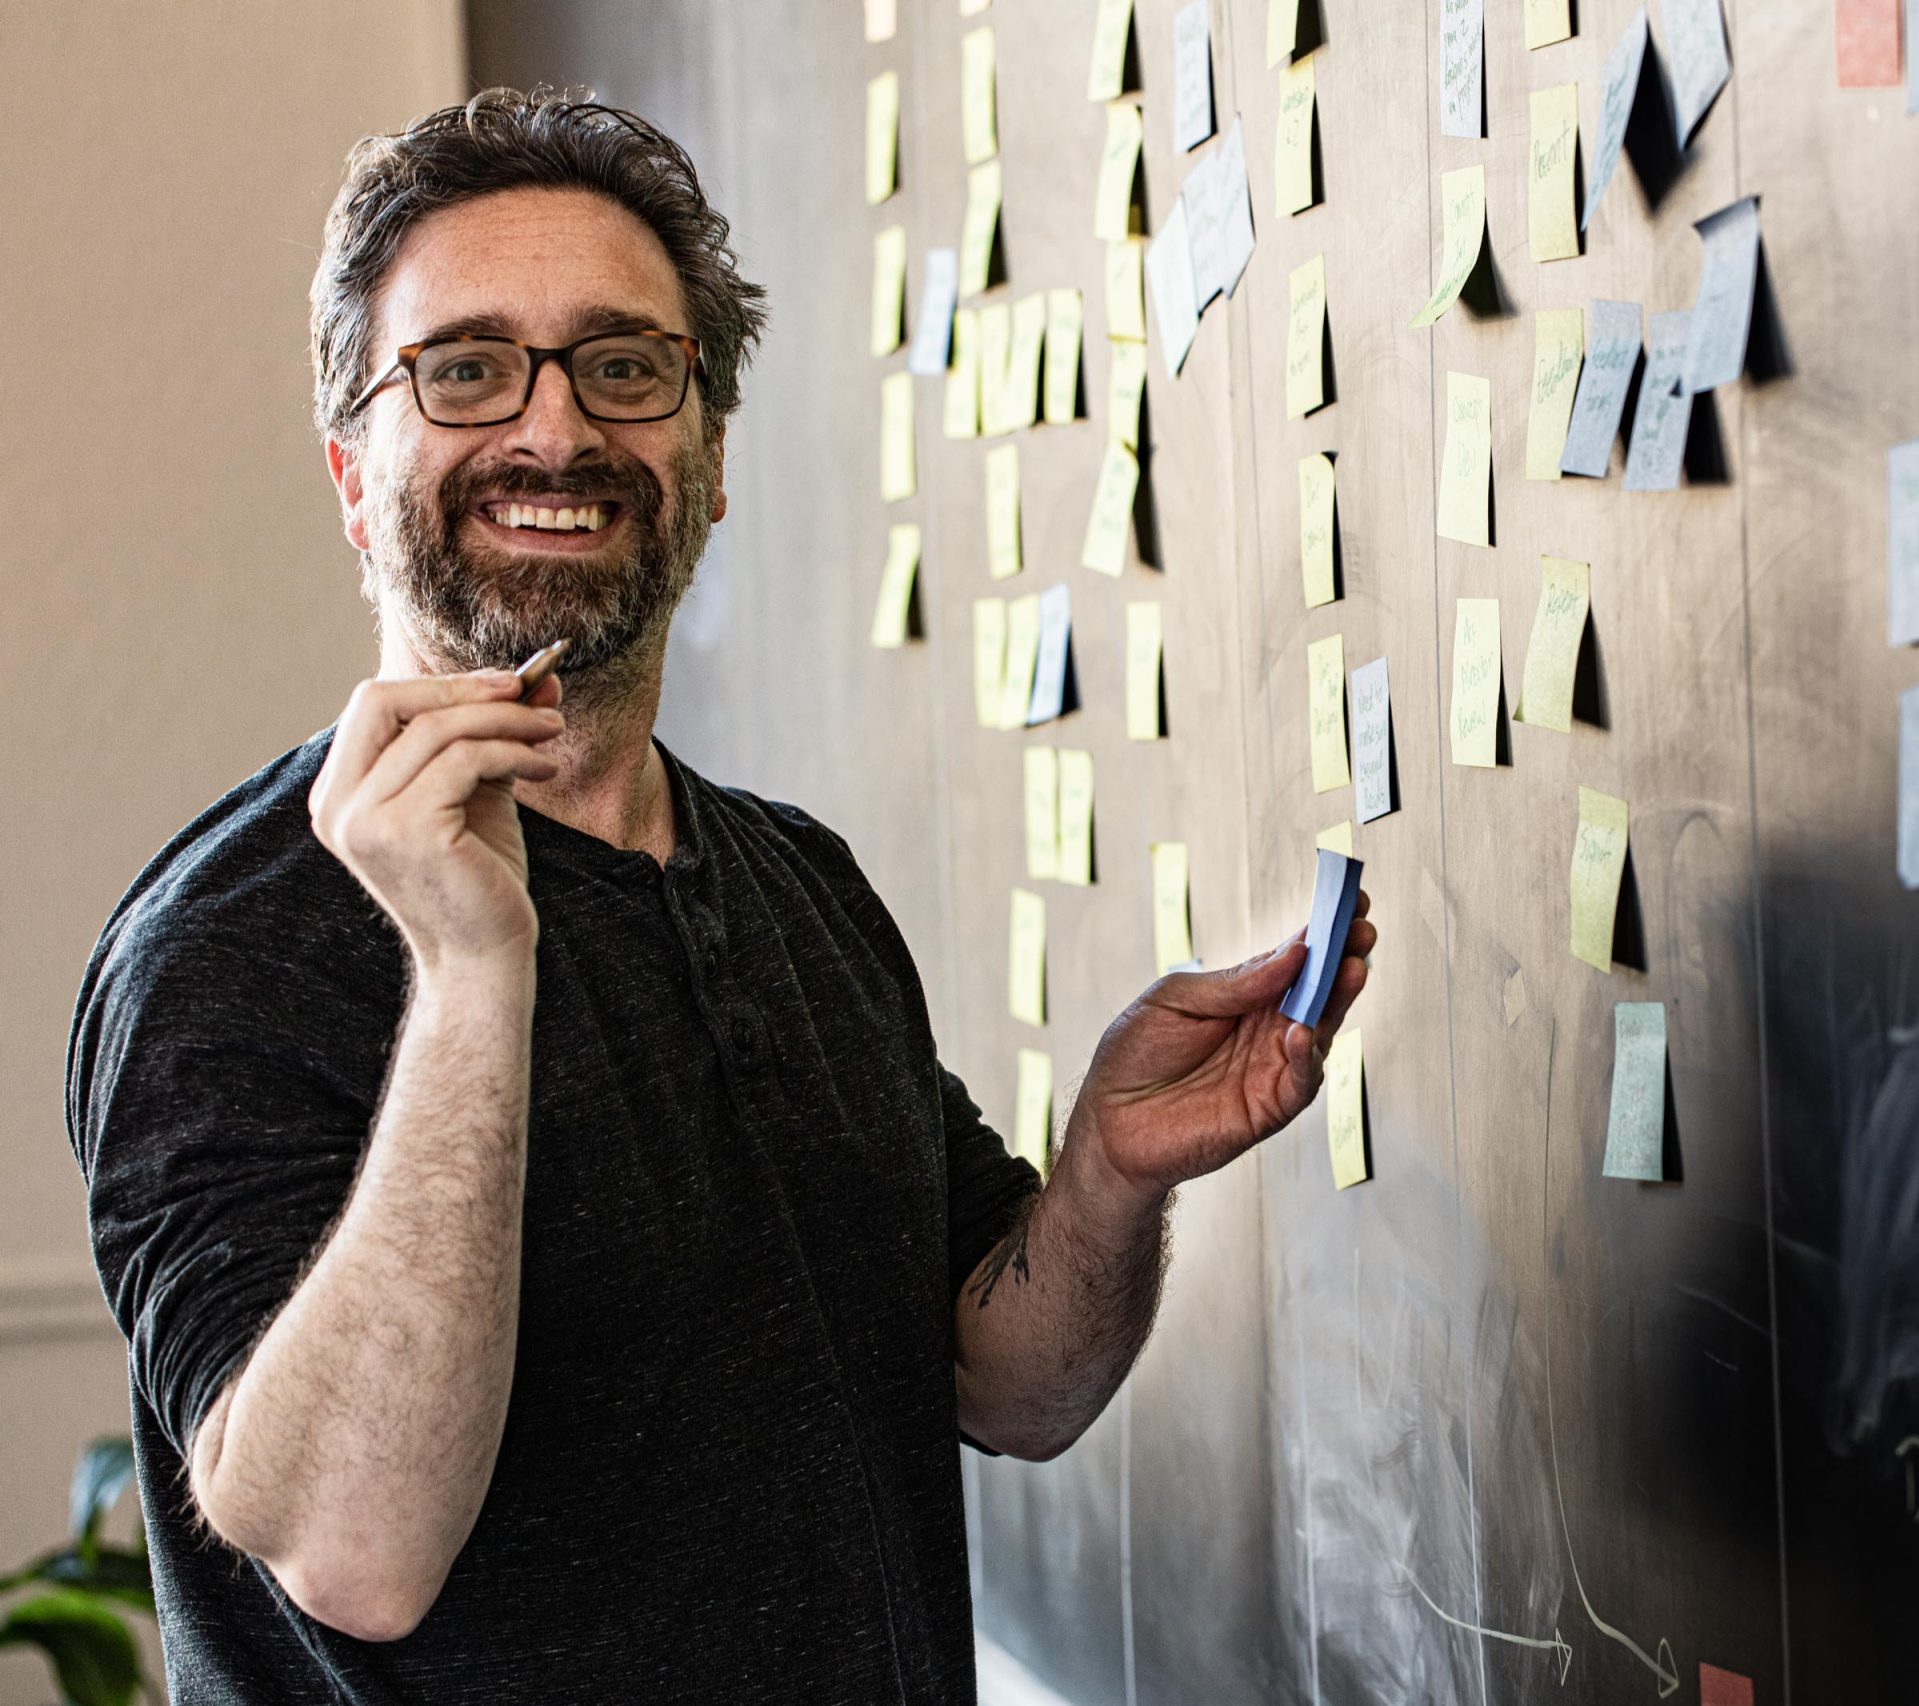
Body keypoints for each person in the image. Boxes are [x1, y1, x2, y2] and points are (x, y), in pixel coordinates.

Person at [64, 87, 1373, 1702]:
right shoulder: (225, 948)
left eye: (623, 366)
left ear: (708, 456)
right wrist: (474, 972)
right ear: (351, 472)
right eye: (466, 369)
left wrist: (1107, 1171)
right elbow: (357, 1556)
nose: (554, 433)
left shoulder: (796, 887)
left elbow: (1005, 1383)